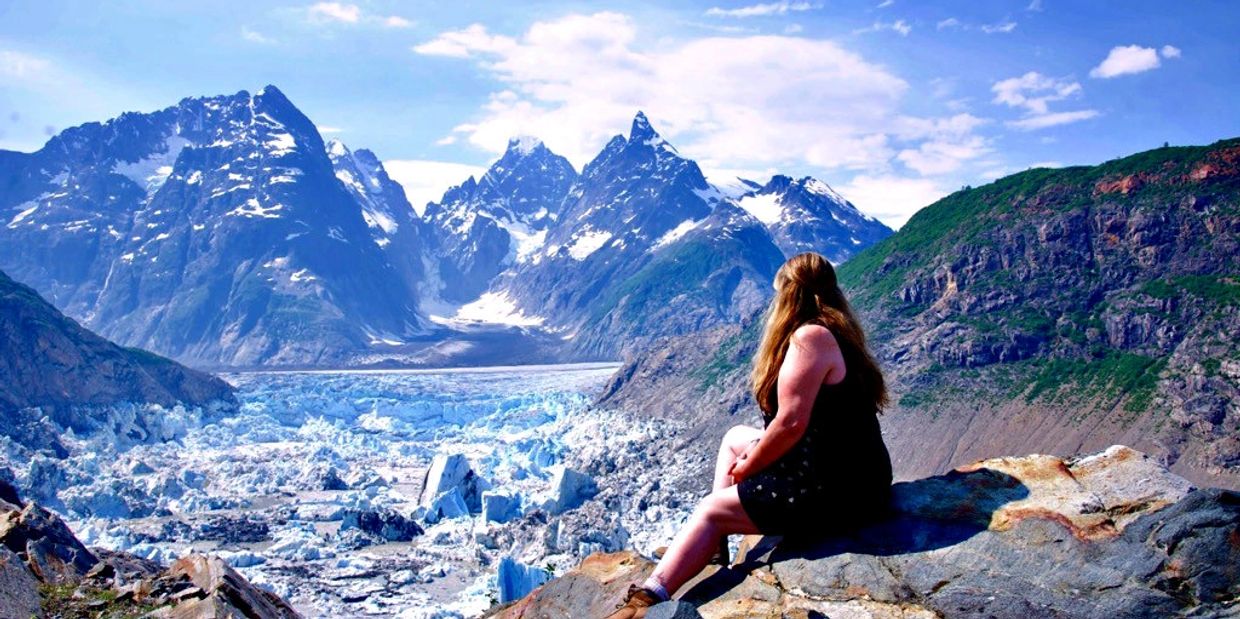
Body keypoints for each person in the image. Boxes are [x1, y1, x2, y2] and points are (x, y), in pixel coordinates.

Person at [605, 252, 893, 619]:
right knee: (734, 436)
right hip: (848, 470)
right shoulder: (835, 330)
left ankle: (649, 596)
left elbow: (790, 424)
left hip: (837, 490)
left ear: (790, 294)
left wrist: (749, 465)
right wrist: (748, 453)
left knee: (709, 511)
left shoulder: (810, 336)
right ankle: (712, 547)